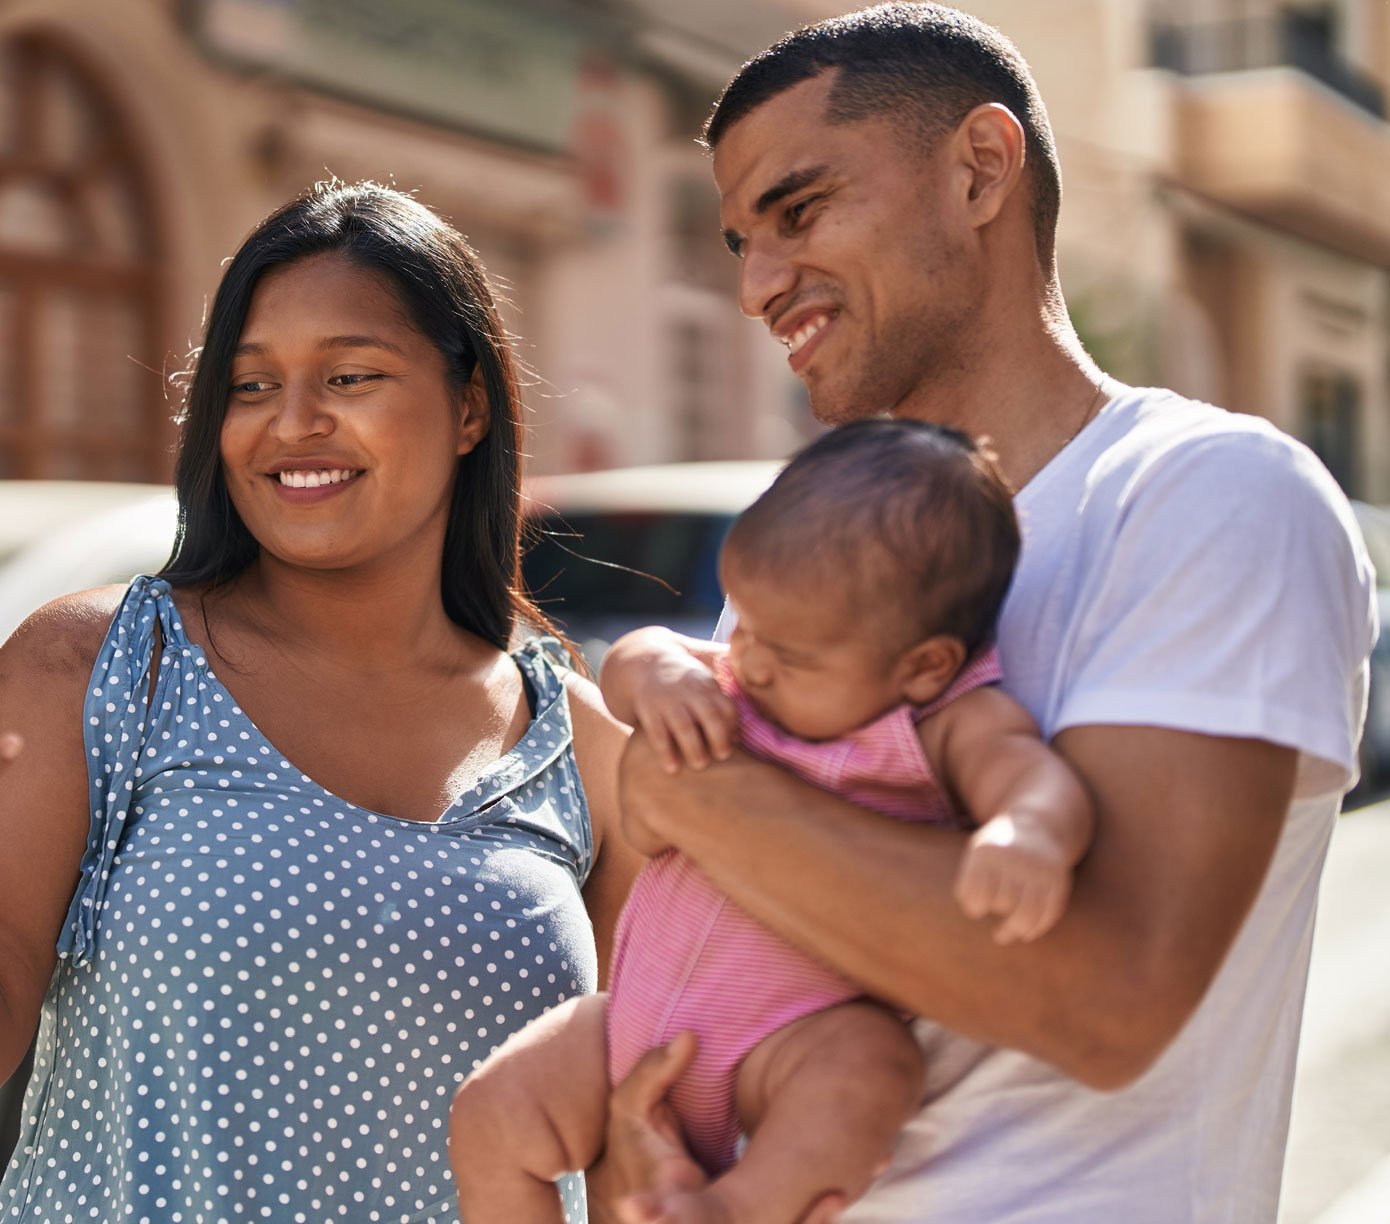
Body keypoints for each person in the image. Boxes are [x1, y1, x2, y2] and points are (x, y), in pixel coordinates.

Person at [587, 5, 1378, 1223]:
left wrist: (686, 791)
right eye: (742, 242)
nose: (754, 287)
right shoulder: (819, 540)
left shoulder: (1206, 493)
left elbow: (1103, 1004)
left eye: (799, 213)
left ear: (979, 170)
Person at [0, 181, 641, 1223]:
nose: (293, 425)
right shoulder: (104, 665)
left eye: (349, 376)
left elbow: (641, 1123)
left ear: (469, 403)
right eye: (250, 388)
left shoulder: (584, 743)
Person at [450, 420, 1093, 1223]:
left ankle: (738, 1210)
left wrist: (1026, 832)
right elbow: (636, 654)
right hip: (633, 1020)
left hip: (783, 1044)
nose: (748, 661)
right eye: (744, 624)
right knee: (489, 1112)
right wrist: (661, 680)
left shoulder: (943, 725)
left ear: (923, 664)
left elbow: (1032, 778)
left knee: (872, 1068)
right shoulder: (738, 685)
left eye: (790, 656)